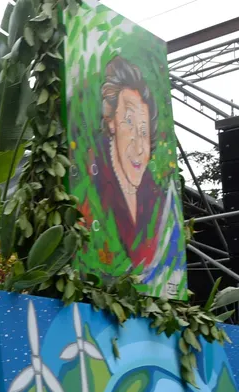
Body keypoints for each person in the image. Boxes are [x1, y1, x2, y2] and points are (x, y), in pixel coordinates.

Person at [90, 55, 165, 268]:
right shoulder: (89, 187)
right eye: (129, 122)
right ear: (111, 120)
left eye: (144, 132)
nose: (139, 147)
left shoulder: (157, 200)